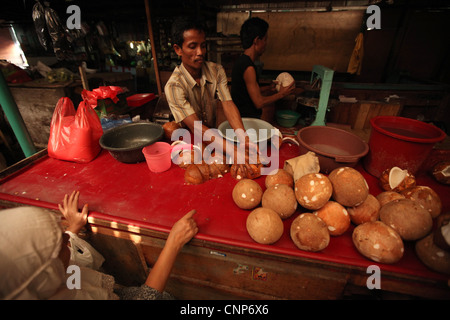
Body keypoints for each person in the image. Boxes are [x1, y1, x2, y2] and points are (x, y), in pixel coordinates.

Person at [0, 191, 198, 300]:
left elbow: (71, 273)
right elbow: (147, 297)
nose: (68, 241)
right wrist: (173, 243)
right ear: (44, 273)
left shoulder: (49, 281)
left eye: (62, 236)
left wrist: (74, 228)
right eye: (60, 245)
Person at [165, 17, 257, 173]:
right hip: (191, 145)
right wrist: (233, 151)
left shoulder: (216, 70)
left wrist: (243, 138)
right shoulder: (174, 86)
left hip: (216, 139)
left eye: (203, 46)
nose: (200, 52)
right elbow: (195, 127)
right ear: (178, 49)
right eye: (192, 47)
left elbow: (227, 103)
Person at [231, 17, 295, 121]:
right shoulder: (248, 68)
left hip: (241, 119)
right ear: (256, 41)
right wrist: (282, 94)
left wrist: (268, 88)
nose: (266, 44)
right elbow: (259, 102)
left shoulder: (241, 61)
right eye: (265, 39)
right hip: (246, 122)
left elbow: (245, 93)